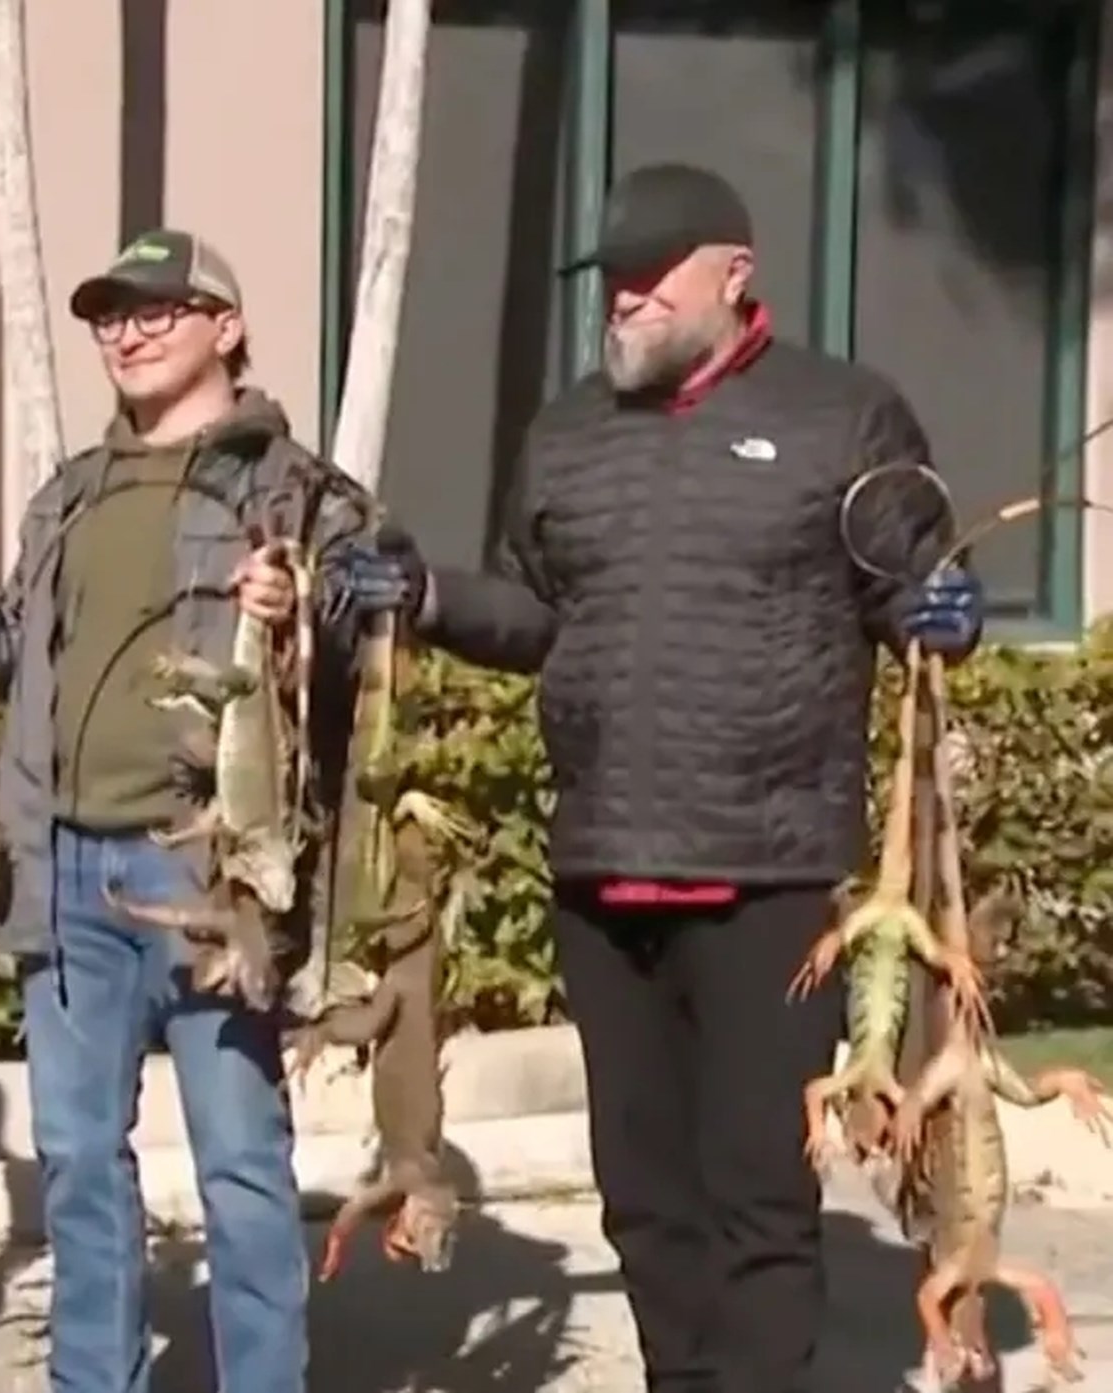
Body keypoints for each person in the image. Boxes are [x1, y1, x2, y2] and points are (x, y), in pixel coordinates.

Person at [321, 163, 985, 1393]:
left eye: (648, 279)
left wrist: (947, 610)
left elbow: (913, 587)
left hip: (766, 876)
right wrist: (425, 596)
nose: (622, 301)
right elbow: (535, 614)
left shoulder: (842, 416)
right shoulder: (565, 437)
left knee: (754, 1189)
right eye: (610, 282)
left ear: (733, 276)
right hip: (601, 866)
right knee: (640, 1195)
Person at [0, 229, 368, 1393]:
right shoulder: (69, 494)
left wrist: (299, 604)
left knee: (239, 1165)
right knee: (78, 1163)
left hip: (208, 880)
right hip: (63, 875)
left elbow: (360, 635)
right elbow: (16, 660)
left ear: (225, 327)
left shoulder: (293, 487)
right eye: (108, 316)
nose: (125, 334)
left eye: (156, 309)